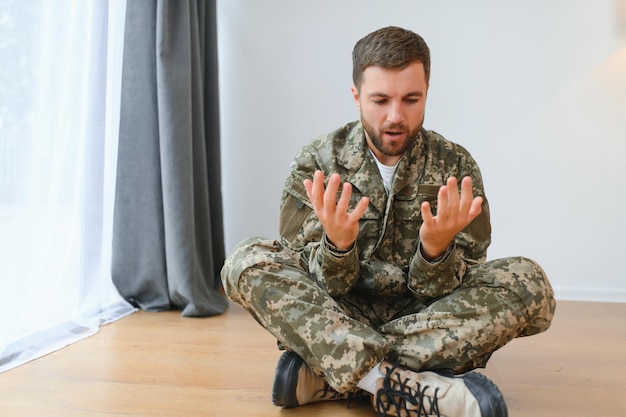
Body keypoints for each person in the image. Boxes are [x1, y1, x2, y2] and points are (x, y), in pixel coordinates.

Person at [221, 26, 555, 417]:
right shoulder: (316, 163)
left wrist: (435, 251)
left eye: (411, 99)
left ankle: (331, 373)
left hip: (424, 317)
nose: (396, 116)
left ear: (427, 93)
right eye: (380, 100)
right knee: (246, 261)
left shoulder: (457, 166)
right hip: (342, 311)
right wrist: (337, 246)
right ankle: (400, 384)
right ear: (356, 97)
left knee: (529, 284)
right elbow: (313, 283)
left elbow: (458, 286)